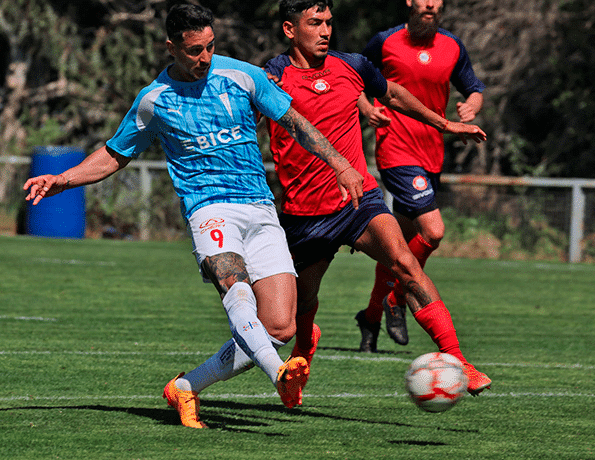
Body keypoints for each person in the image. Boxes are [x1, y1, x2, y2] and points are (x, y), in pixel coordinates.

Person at [24, 3, 365, 429]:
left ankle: (185, 388)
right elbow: (114, 154)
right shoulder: (154, 100)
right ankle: (277, 371)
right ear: (171, 47)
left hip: (259, 208)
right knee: (234, 287)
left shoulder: (243, 76)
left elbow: (296, 122)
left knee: (279, 325)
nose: (203, 58)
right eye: (193, 51)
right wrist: (64, 180)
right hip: (209, 210)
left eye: (209, 47)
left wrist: (342, 165)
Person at [264, 0, 491, 396]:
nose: (324, 31)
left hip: (358, 202)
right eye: (314, 23)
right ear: (289, 29)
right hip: (304, 213)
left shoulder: (352, 64)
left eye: (329, 23)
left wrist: (444, 123)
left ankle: (458, 358)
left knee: (405, 263)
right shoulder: (271, 76)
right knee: (303, 303)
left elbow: (395, 94)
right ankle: (303, 353)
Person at [356, 0, 485, 350]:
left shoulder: (452, 45)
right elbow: (354, 80)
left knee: (399, 244)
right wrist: (367, 107)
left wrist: (472, 104)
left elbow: (473, 87)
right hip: (396, 148)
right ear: (410, 1)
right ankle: (397, 298)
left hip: (432, 154)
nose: (430, 3)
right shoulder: (385, 42)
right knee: (434, 230)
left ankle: (370, 316)